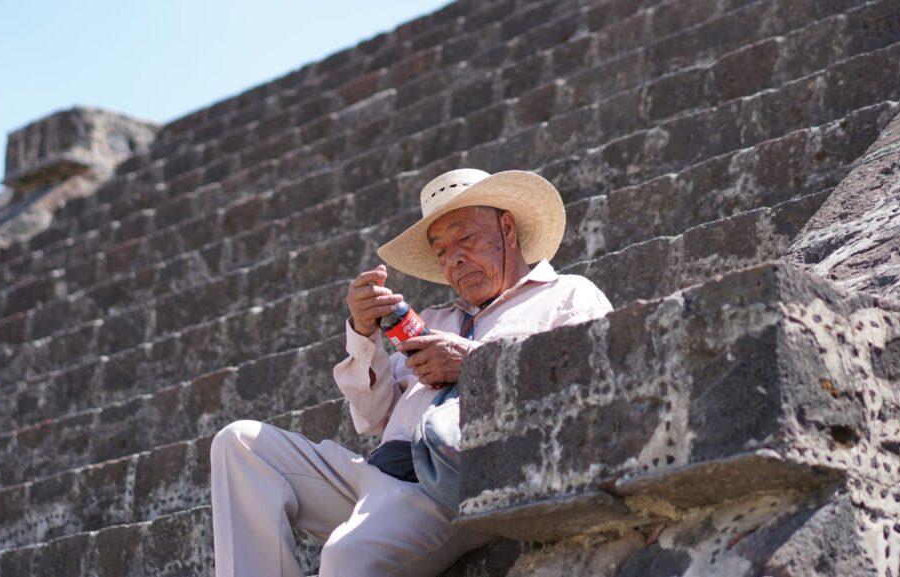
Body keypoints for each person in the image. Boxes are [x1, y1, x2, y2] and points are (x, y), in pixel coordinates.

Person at [209, 168, 614, 577]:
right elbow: (371, 416)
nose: (453, 258)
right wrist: (364, 333)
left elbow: (588, 379)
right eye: (440, 250)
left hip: (451, 482)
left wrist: (473, 363)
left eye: (466, 237)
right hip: (377, 476)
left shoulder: (567, 294)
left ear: (506, 227)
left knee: (346, 556)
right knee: (240, 444)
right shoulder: (436, 319)